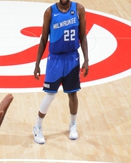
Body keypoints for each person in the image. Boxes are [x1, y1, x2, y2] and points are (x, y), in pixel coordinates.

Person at [30, 0, 88, 145]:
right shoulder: (50, 12)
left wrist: (86, 59)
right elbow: (43, 39)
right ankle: (37, 126)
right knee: (50, 95)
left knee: (72, 94)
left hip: (72, 58)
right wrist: (37, 64)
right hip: (55, 59)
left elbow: (83, 36)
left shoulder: (79, 9)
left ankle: (73, 125)